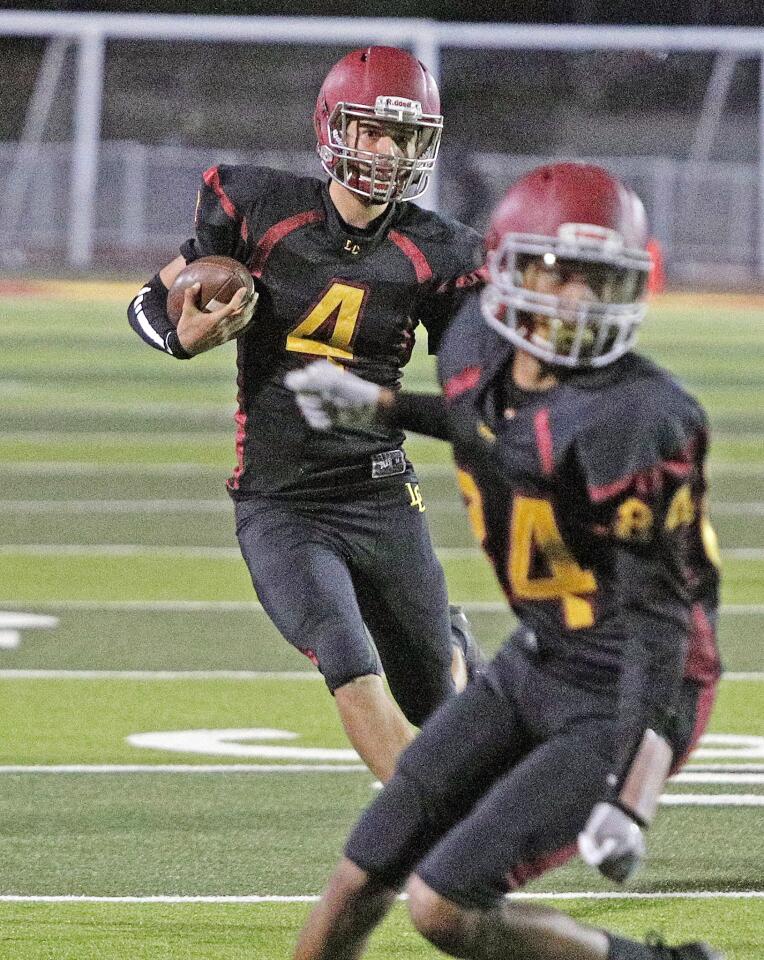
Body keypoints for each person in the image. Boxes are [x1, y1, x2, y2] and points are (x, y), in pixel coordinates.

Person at [286, 162, 723, 960]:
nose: (576, 302)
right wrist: (382, 406)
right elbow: (489, 426)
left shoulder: (639, 418)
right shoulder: (477, 343)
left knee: (441, 907)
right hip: (540, 654)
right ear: (508, 270)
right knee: (359, 871)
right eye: (557, 273)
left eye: (597, 280)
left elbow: (664, 630)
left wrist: (634, 794)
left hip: (625, 680)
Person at [127, 46, 485, 784]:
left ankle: (449, 645)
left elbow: (469, 393)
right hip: (279, 501)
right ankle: (431, 831)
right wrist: (180, 335)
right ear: (335, 130)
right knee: (349, 664)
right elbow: (144, 302)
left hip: (380, 492)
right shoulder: (256, 209)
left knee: (435, 701)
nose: (389, 151)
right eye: (373, 131)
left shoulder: (438, 250)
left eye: (406, 135)